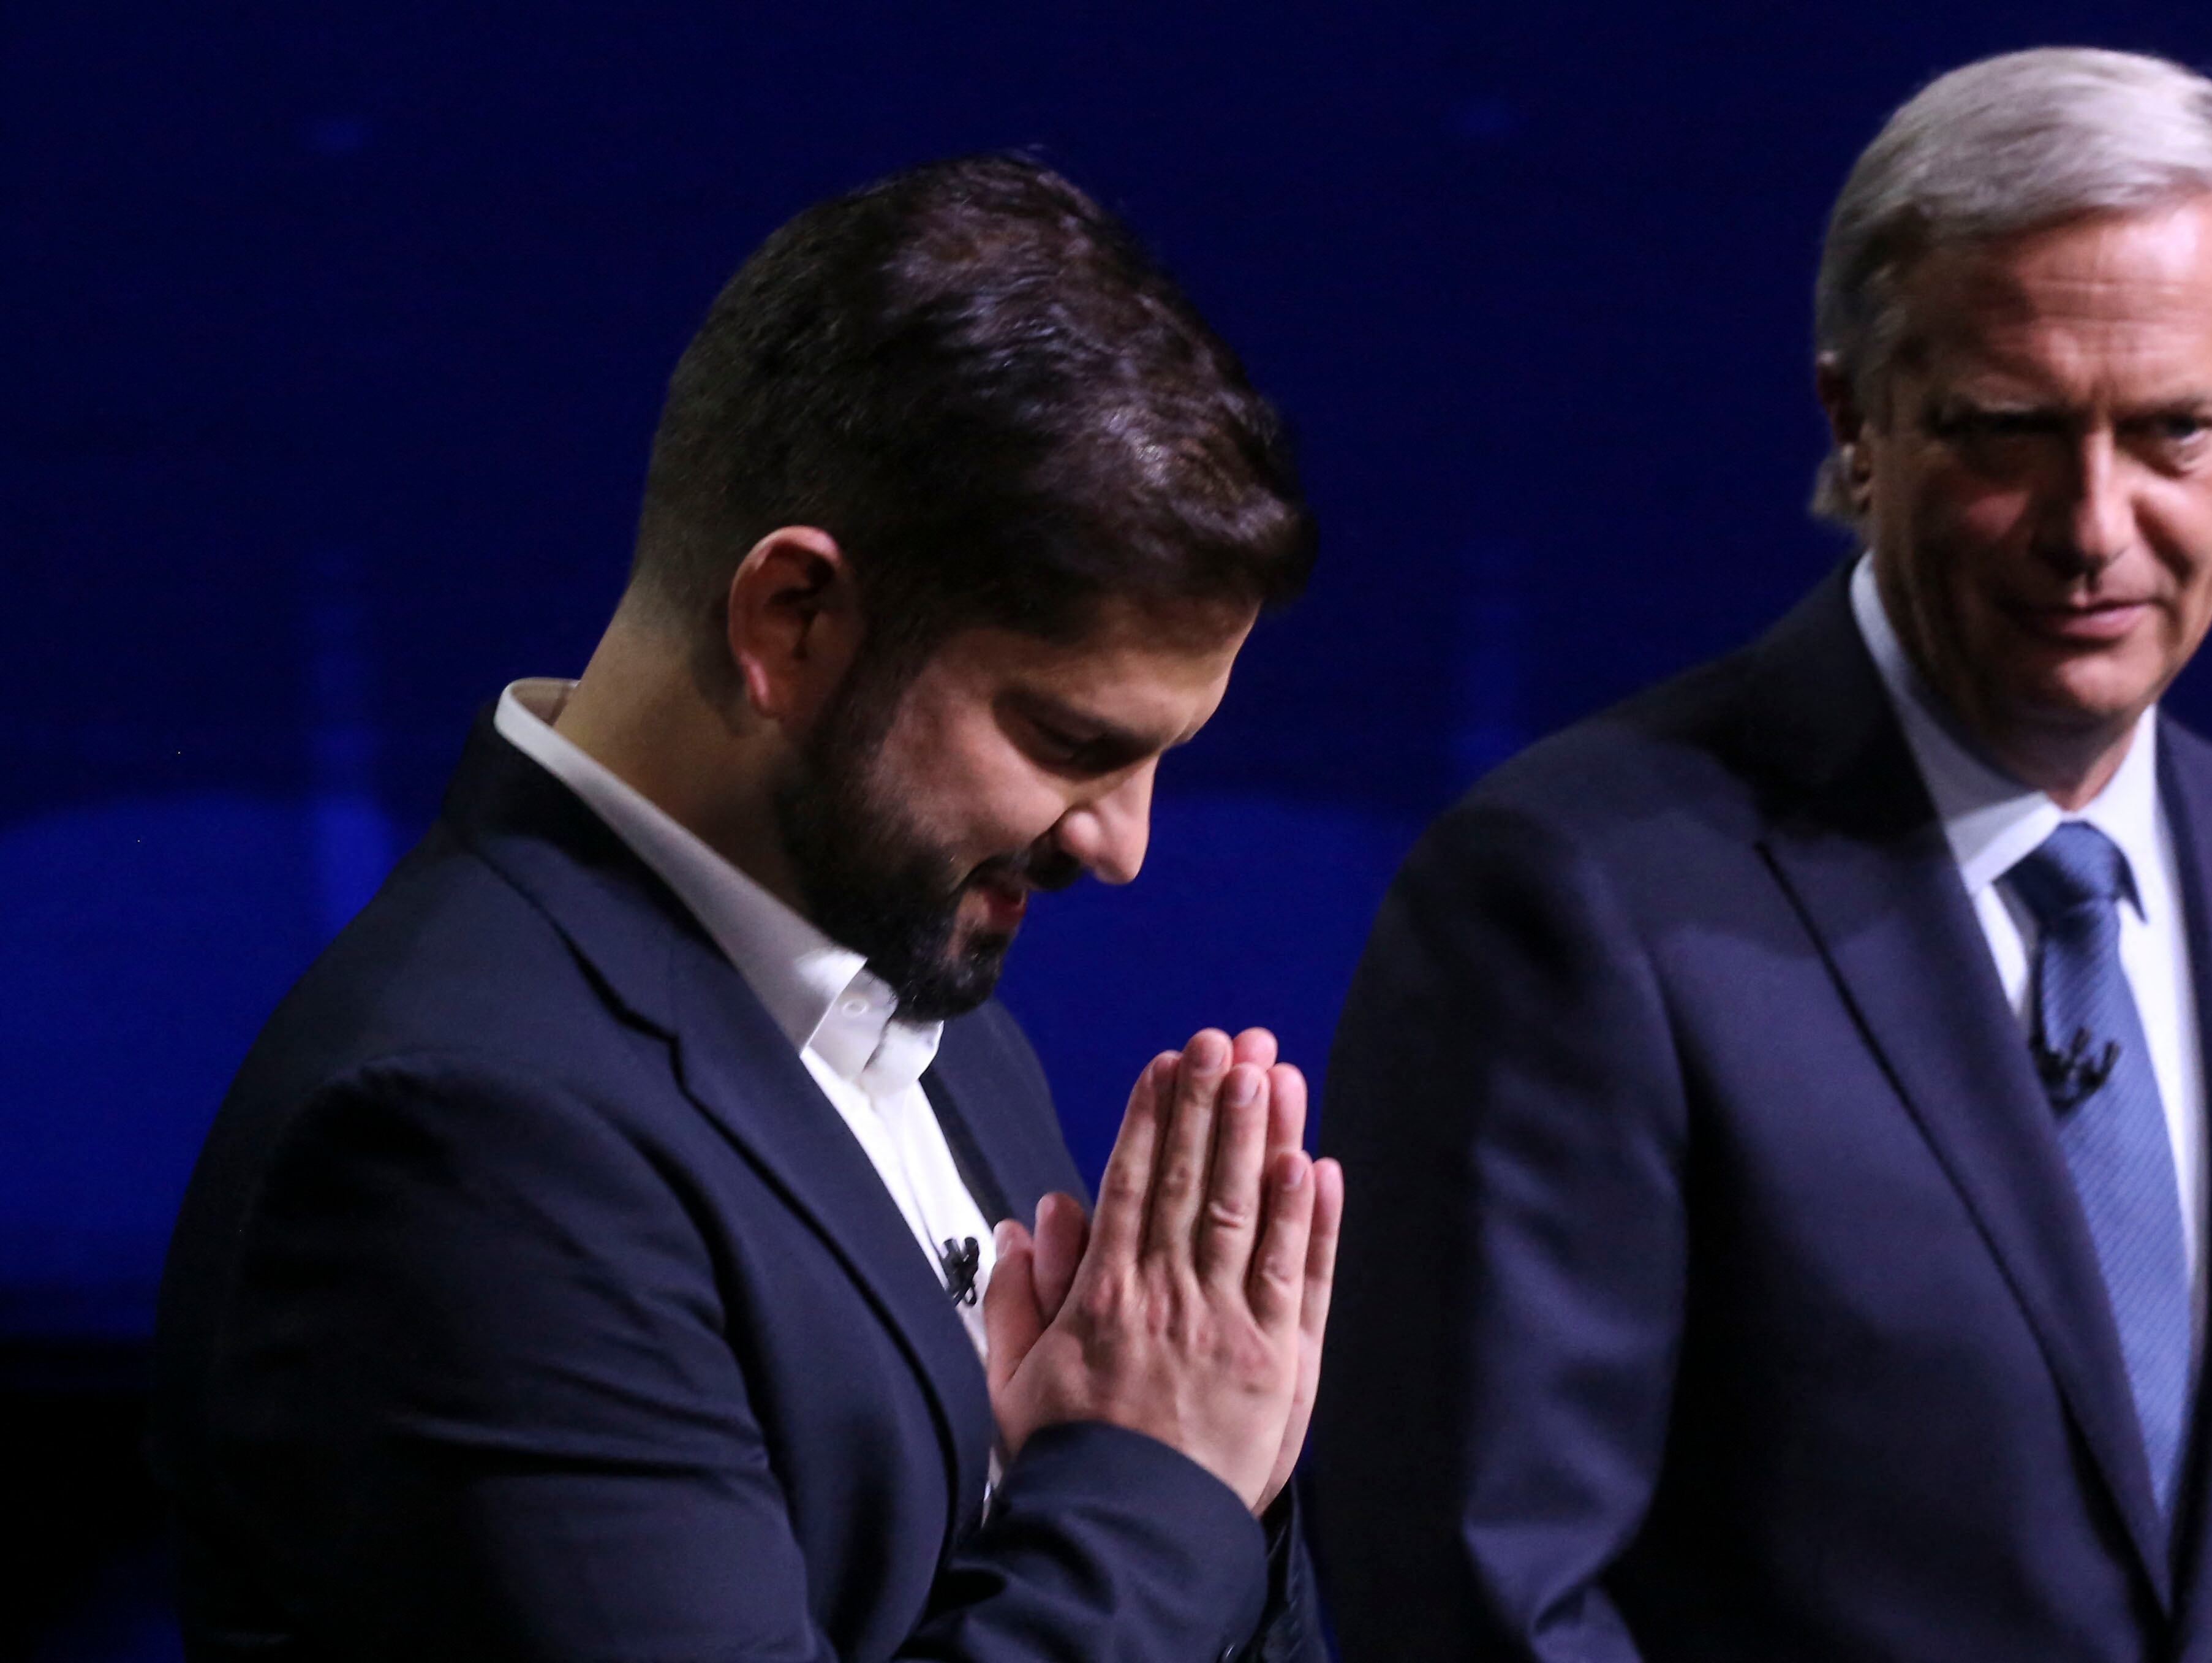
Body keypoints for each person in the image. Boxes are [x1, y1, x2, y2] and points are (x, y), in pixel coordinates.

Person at [1311, 47, 2212, 1660]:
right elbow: (1476, 1597)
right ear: (1853, 420)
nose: (2090, 525)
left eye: (2170, 432)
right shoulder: (1570, 896)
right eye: (2006, 430)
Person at [151, 154, 1343, 1662]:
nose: (1122, 848)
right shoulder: (460, 1136)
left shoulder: (934, 1015)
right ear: (793, 616)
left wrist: (1222, 1446)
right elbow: (1133, 1529)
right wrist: (1161, 1486)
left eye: (1165, 758)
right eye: (1068, 741)